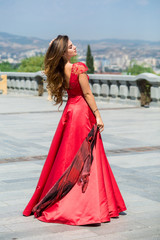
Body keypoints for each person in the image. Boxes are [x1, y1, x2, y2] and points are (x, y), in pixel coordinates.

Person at [23, 35, 127, 225]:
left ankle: (62, 194)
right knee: (88, 155)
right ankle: (89, 203)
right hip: (81, 113)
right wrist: (98, 115)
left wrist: (55, 45)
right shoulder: (78, 68)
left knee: (67, 155)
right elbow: (87, 93)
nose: (75, 47)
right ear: (63, 52)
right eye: (70, 46)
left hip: (70, 112)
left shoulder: (59, 68)